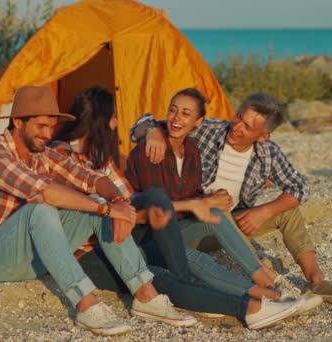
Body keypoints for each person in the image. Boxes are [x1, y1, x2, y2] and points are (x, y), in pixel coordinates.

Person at [0, 85, 198, 337]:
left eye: (51, 127)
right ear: (17, 121)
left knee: (93, 199)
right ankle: (86, 305)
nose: (47, 134)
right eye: (40, 127)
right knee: (43, 208)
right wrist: (106, 209)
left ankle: (146, 296)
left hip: (33, 258)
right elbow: (45, 191)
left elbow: (92, 178)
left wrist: (117, 201)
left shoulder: (44, 154)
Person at [51, 86, 303, 330]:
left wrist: (203, 201)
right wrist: (151, 131)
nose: (117, 125)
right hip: (89, 253)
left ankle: (264, 291)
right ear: (97, 121)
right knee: (167, 275)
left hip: (128, 238)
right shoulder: (63, 157)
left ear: (198, 121)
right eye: (114, 118)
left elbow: (125, 203)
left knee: (195, 240)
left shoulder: (106, 159)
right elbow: (117, 202)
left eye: (186, 114)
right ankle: (247, 306)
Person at [129, 92, 332, 306]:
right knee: (219, 206)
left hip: (231, 221)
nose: (236, 127)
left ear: (264, 136)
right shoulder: (208, 130)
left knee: (288, 211)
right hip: (195, 221)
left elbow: (299, 188)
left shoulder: (268, 153)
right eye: (238, 117)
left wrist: (262, 212)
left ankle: (317, 281)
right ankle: (265, 279)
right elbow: (147, 124)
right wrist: (153, 131)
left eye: (247, 127)